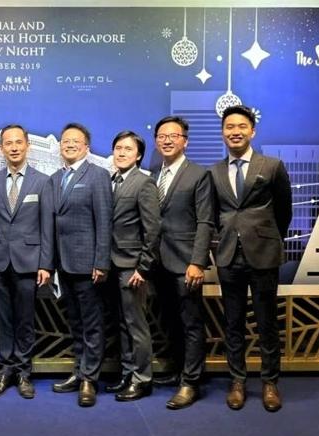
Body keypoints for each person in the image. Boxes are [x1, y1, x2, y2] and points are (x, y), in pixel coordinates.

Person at [209, 105, 292, 412]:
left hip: (263, 254)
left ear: (252, 131)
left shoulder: (271, 166)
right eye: (229, 127)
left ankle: (270, 382)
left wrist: (266, 238)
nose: (235, 132)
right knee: (233, 323)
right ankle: (237, 381)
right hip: (228, 256)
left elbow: (284, 211)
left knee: (267, 322)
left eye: (241, 126)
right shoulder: (214, 172)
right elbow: (212, 215)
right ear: (223, 133)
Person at [0, 124, 54, 399]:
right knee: (2, 319)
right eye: (8, 143)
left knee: (24, 319)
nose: (14, 147)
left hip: (29, 262)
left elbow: (47, 226)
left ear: (27, 146)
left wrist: (46, 264)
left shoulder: (42, 181)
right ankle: (5, 370)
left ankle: (24, 371)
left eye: (18, 142)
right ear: (0, 148)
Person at [152, 116, 214, 410]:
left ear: (185, 141)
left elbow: (205, 221)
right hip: (158, 263)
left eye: (173, 136)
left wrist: (198, 262)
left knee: (191, 323)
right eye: (161, 136)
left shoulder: (199, 175)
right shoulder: (154, 174)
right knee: (170, 321)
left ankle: (191, 382)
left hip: (186, 262)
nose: (167, 140)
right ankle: (179, 371)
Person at [49, 123, 112, 407]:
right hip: (64, 264)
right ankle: (79, 370)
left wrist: (101, 262)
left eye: (76, 141)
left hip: (89, 265)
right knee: (74, 321)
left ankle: (90, 379)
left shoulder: (98, 175)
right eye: (65, 140)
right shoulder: (56, 178)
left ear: (86, 146)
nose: (70, 144)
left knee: (92, 323)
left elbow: (104, 222)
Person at [103, 131, 160, 402]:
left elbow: (153, 230)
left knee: (136, 326)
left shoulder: (144, 182)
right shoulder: (111, 181)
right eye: (118, 148)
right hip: (112, 264)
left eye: (128, 149)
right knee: (123, 325)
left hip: (133, 267)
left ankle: (142, 379)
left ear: (138, 155)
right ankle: (127, 374)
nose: (121, 153)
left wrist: (143, 267)